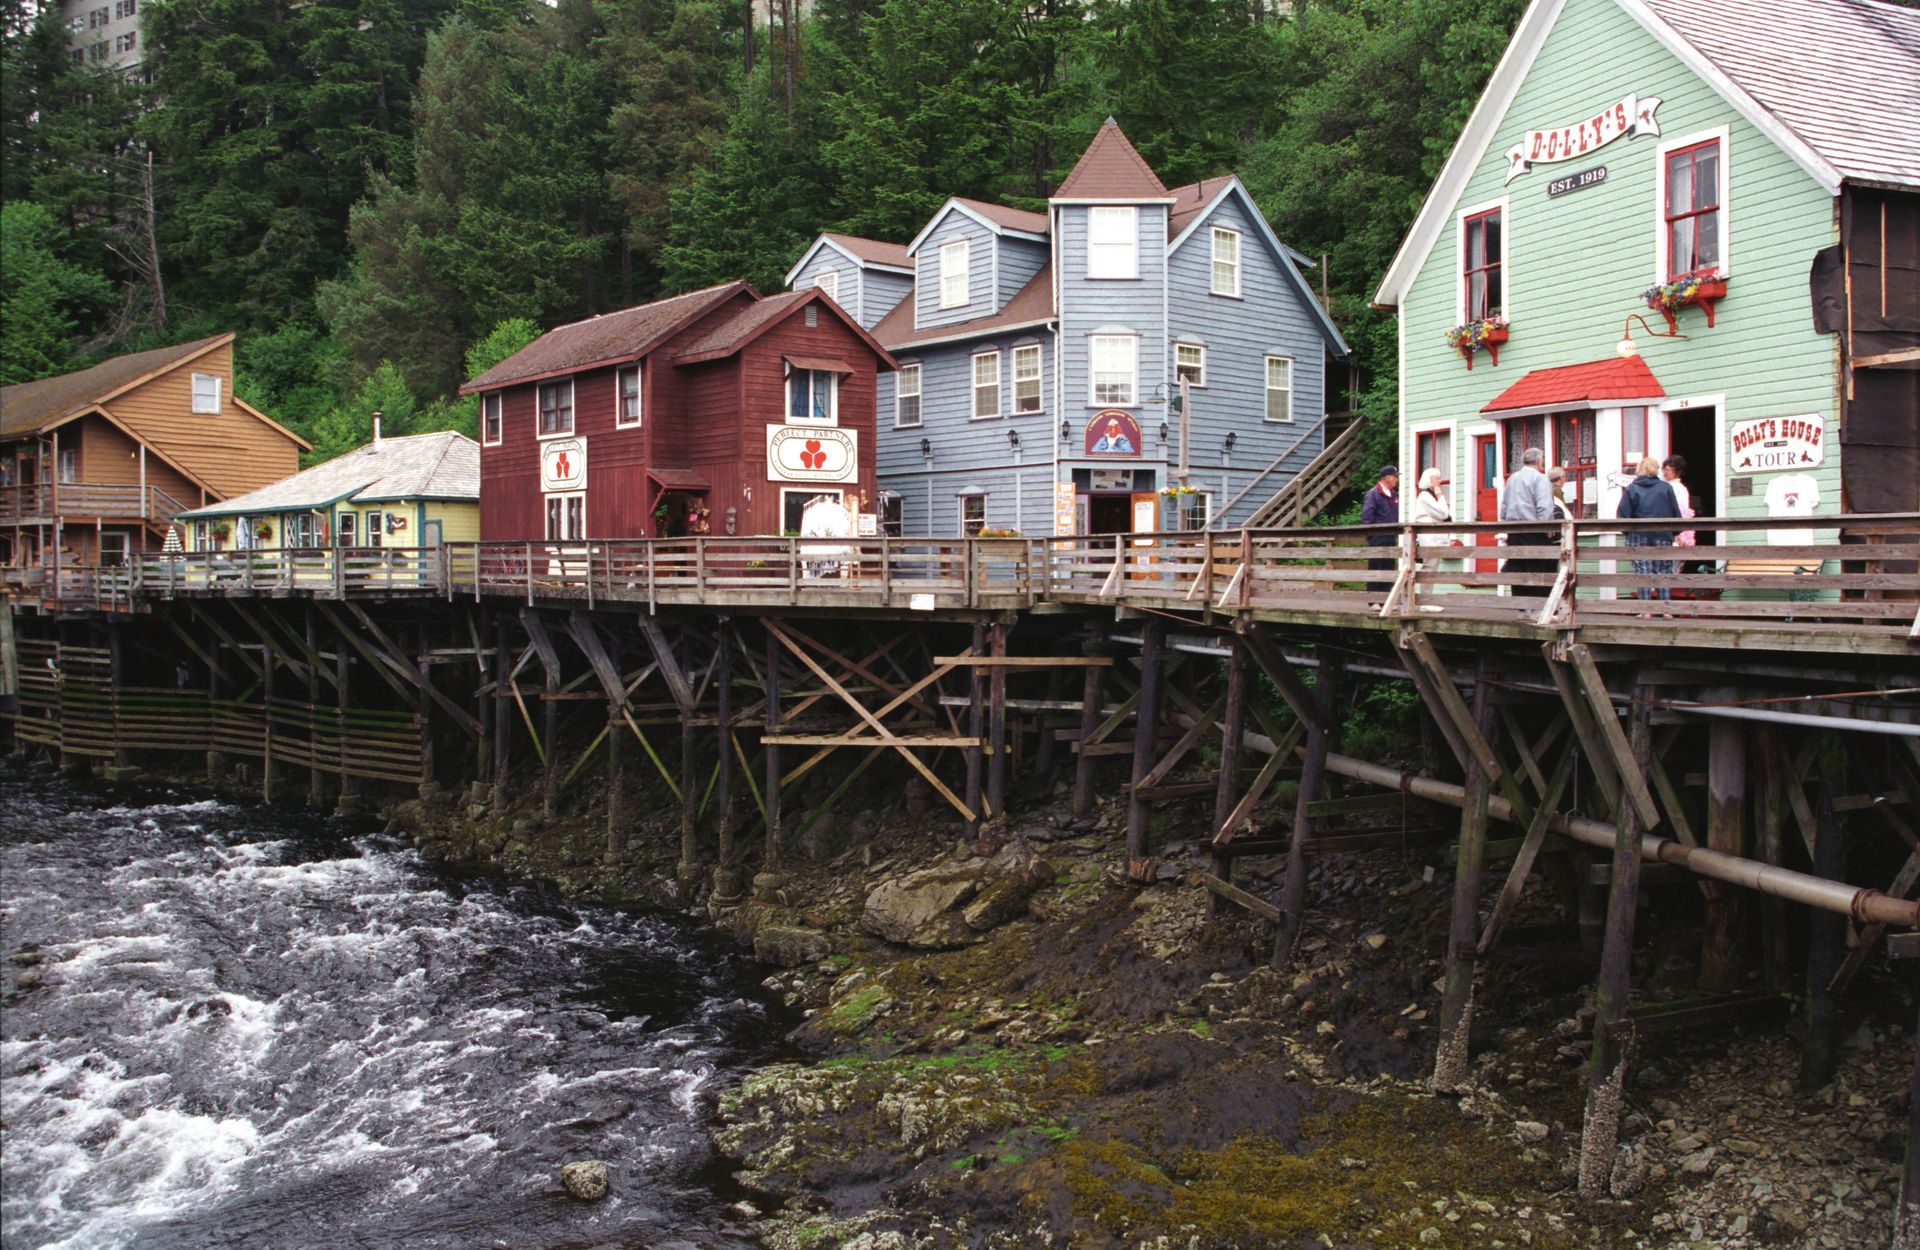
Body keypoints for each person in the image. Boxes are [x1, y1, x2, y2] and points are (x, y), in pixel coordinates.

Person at [1617, 455, 1681, 607]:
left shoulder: (1632, 488)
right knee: (1664, 570)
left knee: (1642, 572)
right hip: (1662, 535)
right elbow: (1675, 512)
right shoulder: (1666, 488)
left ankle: (1646, 610)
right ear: (1655, 470)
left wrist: (1627, 532)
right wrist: (1675, 533)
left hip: (1638, 535)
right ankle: (1666, 609)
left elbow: (1623, 514)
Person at [1500, 446, 1556, 596]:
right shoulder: (1540, 478)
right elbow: (1544, 507)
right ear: (1539, 461)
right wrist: (1547, 530)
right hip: (1534, 531)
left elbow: (1504, 506)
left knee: (1517, 568)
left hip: (1514, 531)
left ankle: (1522, 608)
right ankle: (1536, 608)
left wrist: (1505, 527)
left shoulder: (1512, 478)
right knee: (1538, 570)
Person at [1361, 464, 1399, 583]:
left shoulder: (1393, 494)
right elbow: (1366, 516)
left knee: (1389, 566)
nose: (1397, 479)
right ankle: (1374, 599)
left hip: (1390, 536)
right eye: (1395, 477)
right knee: (1376, 567)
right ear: (1387, 478)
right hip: (1377, 537)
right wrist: (1371, 536)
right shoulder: (1373, 494)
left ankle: (1386, 598)